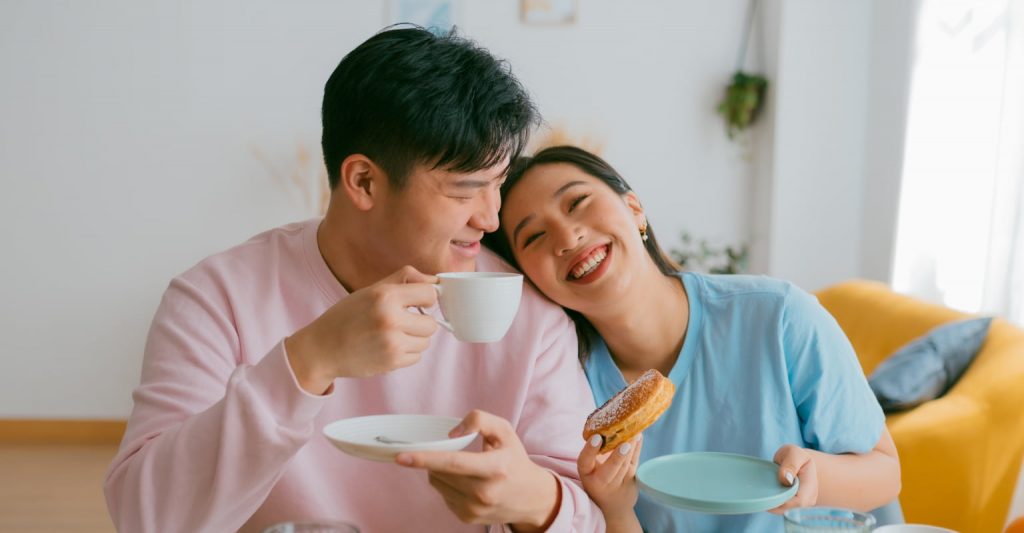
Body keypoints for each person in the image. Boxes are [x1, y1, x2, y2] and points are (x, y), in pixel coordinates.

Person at [104, 28, 607, 532]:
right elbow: (145, 519)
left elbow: (590, 516)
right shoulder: (217, 299)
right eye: (464, 192)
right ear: (364, 181)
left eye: (497, 186)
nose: (491, 219)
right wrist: (309, 360)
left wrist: (536, 504)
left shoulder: (530, 319)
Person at [483, 146, 902, 532]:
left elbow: (887, 473)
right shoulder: (563, 389)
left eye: (578, 203)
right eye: (534, 237)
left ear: (634, 208)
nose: (567, 237)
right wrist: (614, 507)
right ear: (530, 281)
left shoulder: (777, 316)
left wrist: (814, 474)